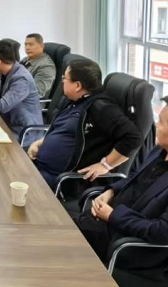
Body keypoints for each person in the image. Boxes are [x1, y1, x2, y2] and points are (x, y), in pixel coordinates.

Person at [77, 94, 168, 280]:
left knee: (56, 235)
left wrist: (112, 215)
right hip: (108, 224)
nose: (156, 125)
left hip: (129, 246)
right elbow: (135, 177)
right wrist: (111, 191)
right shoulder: (163, 150)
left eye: (161, 122)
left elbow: (164, 233)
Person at [28, 59, 141, 189]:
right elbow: (62, 130)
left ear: (77, 85)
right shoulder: (72, 100)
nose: (62, 81)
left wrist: (105, 165)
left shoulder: (101, 108)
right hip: (39, 165)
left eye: (65, 78)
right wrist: (40, 143)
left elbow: (133, 137)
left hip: (61, 179)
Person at [21, 33, 56, 98]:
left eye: (31, 44)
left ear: (41, 46)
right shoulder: (25, 60)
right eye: (26, 45)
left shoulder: (46, 66)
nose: (27, 48)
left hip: (30, 102)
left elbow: (37, 92)